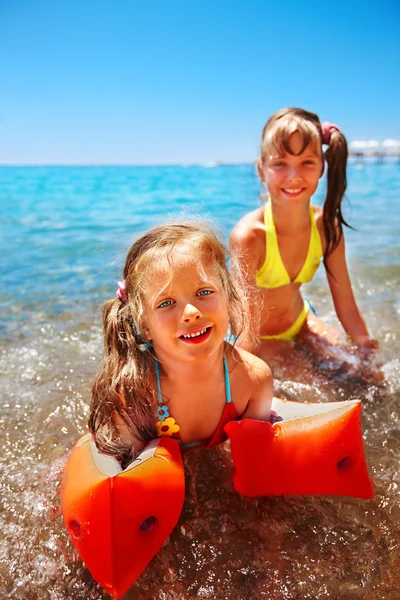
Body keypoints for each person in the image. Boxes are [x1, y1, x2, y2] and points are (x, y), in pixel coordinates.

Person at [89, 221, 273, 466]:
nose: (190, 312)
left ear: (228, 299)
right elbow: (126, 477)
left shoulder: (253, 380)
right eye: (166, 303)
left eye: (204, 292)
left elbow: (253, 464)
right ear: (145, 326)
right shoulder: (134, 392)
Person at [230, 107, 378, 372]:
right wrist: (238, 383)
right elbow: (246, 332)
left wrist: (367, 354)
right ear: (261, 170)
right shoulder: (250, 236)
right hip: (261, 338)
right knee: (318, 387)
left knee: (358, 373)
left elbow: (346, 306)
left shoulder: (326, 227)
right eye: (279, 164)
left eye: (307, 162)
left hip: (301, 320)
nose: (294, 176)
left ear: (321, 167)